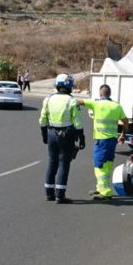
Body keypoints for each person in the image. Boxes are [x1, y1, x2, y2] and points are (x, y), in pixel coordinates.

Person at [78, 84, 130, 200]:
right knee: (107, 164)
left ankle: (105, 192)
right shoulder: (117, 106)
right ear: (109, 94)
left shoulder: (96, 103)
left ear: (100, 94)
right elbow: (126, 122)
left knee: (99, 165)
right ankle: (100, 188)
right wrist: (123, 135)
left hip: (101, 141)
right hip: (112, 140)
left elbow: (78, 101)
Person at [39, 73, 85, 203]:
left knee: (52, 162)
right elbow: (78, 123)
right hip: (66, 135)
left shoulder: (48, 99)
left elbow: (42, 120)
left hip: (51, 133)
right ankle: (60, 195)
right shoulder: (72, 101)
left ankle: (49, 193)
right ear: (69, 85)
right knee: (63, 164)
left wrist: (44, 135)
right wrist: (81, 138)